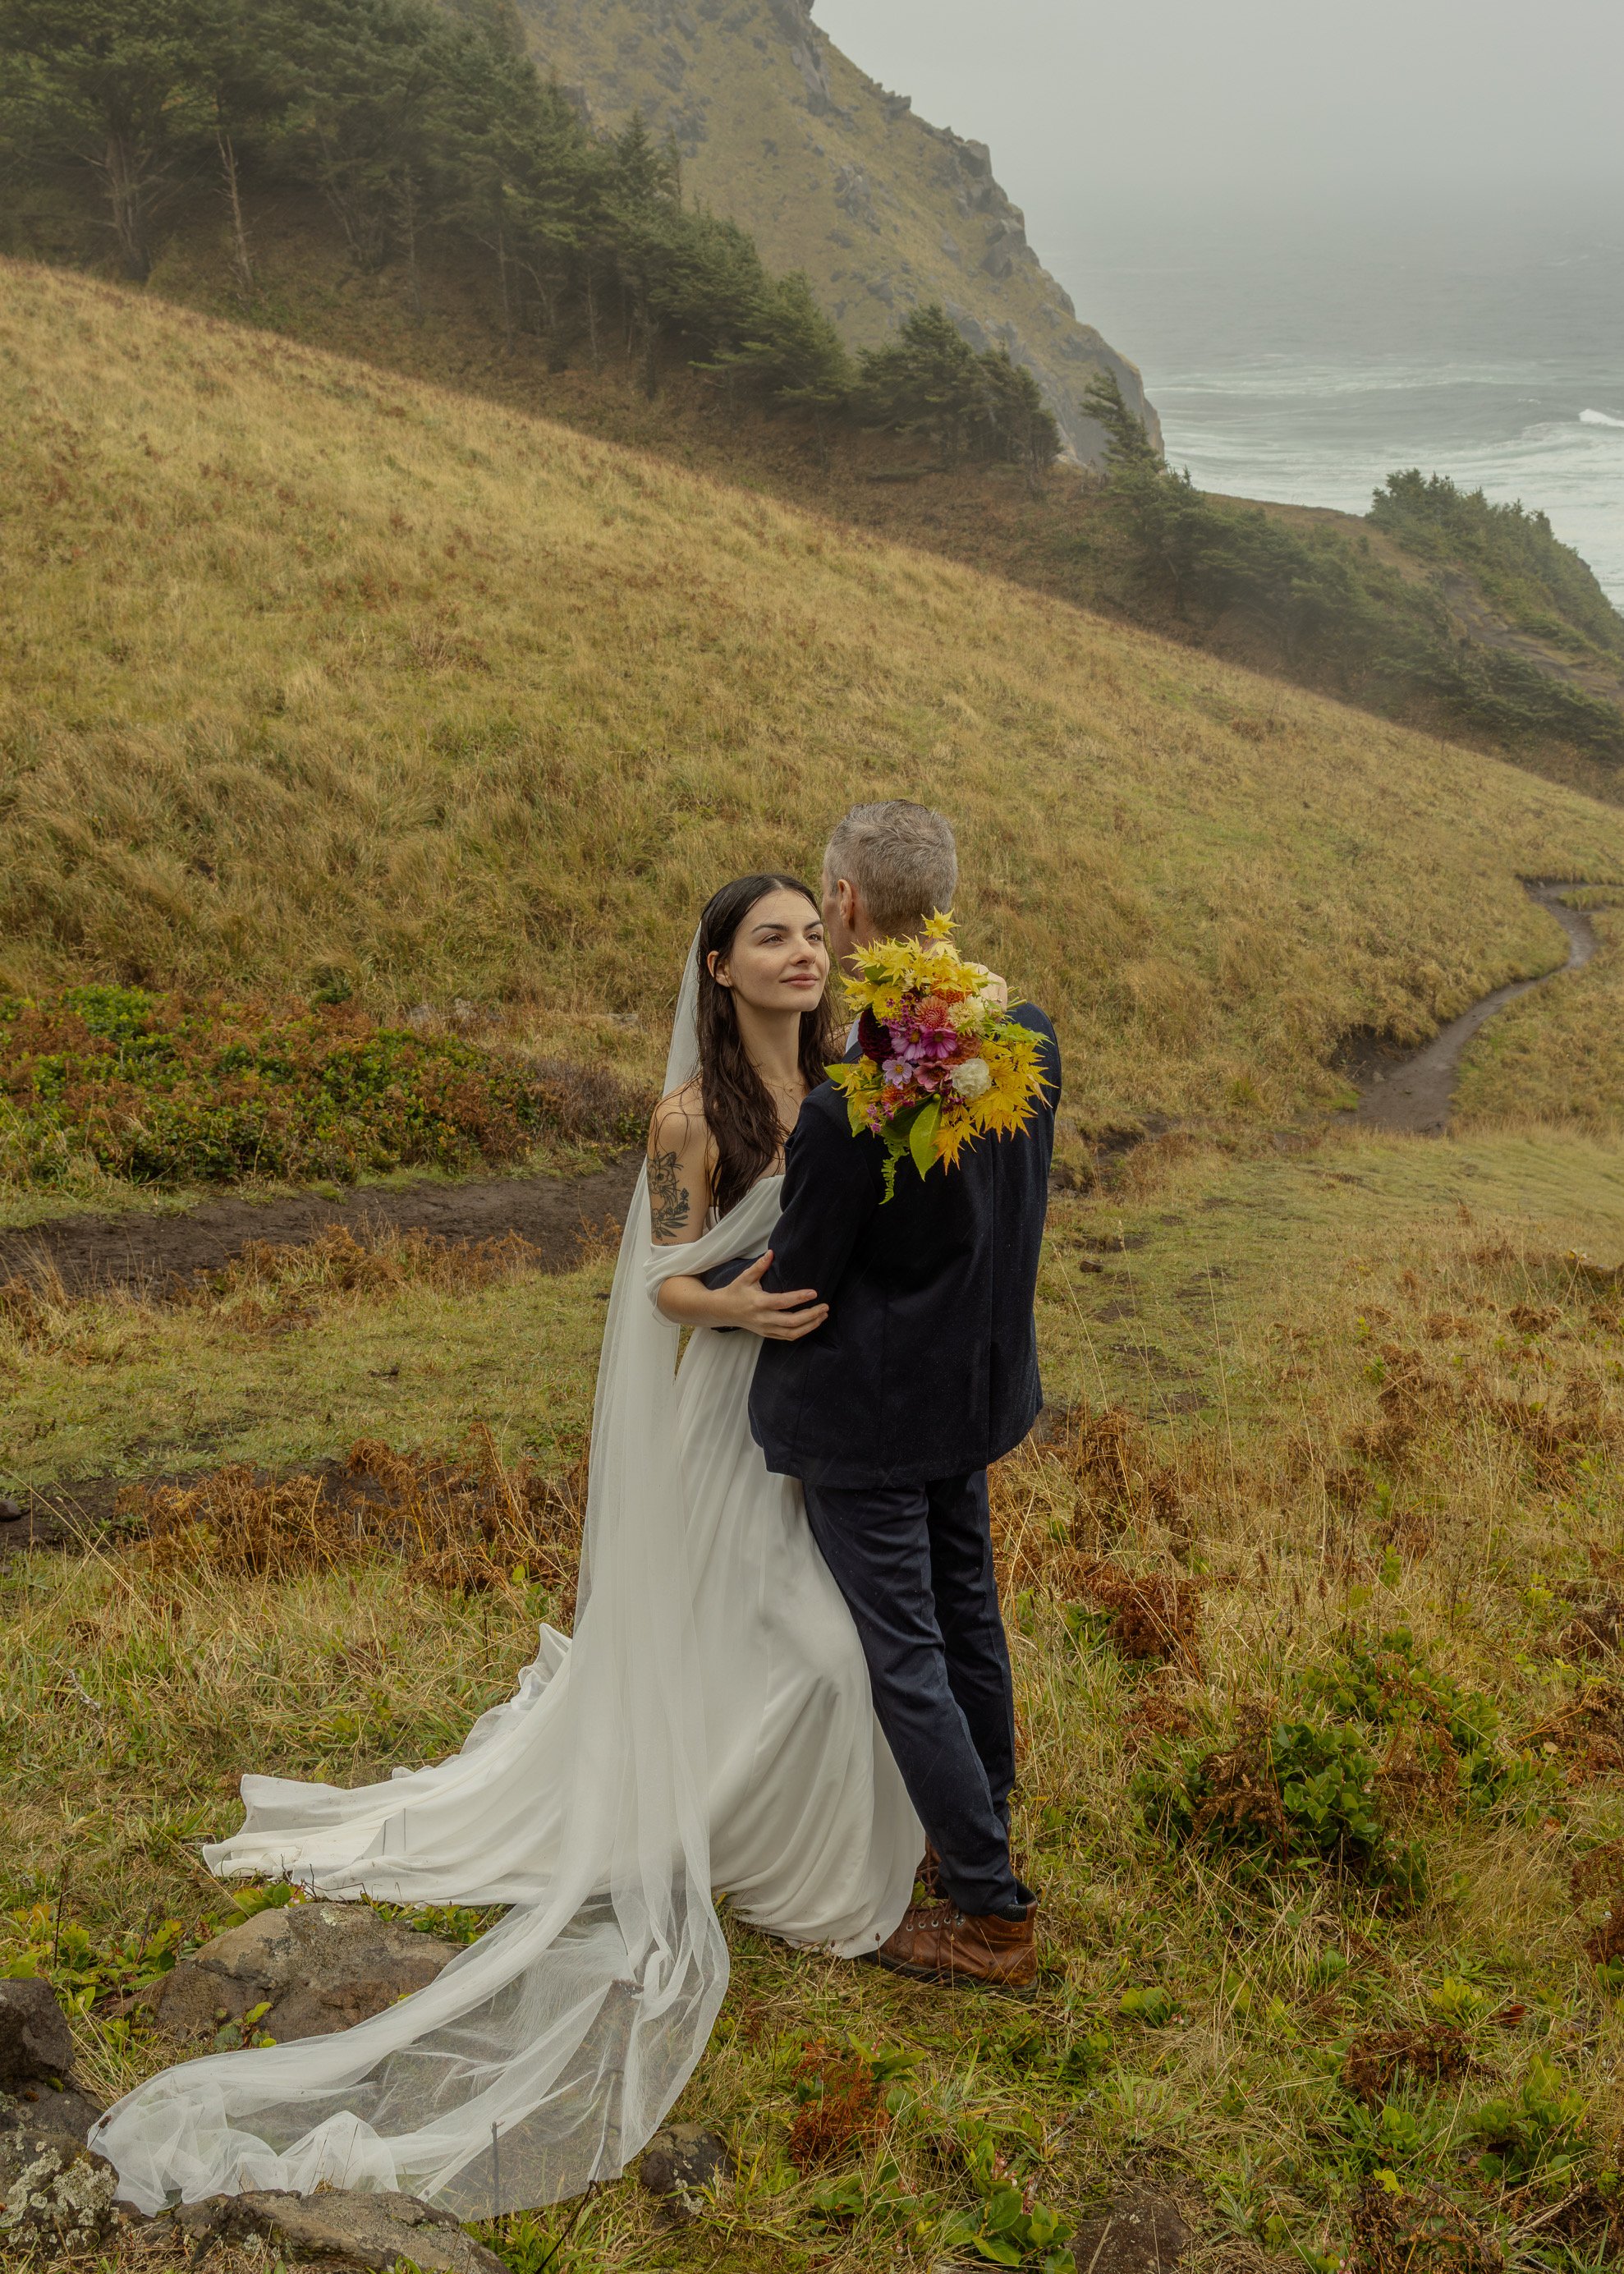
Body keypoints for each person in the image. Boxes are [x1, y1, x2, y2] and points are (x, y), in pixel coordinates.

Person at [92, 871, 921, 2220]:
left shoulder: (845, 1087)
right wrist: (746, 1314)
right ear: (716, 966)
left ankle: (777, 1823)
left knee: (839, 1633)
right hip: (727, 1408)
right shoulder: (686, 1119)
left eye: (813, 933)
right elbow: (662, 1281)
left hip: (830, 1417)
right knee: (819, 1652)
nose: (802, 953)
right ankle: (732, 1832)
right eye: (771, 936)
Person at [747, 801, 1061, 1988]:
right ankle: (974, 1829)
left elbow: (806, 1277)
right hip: (974, 1395)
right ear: (947, 895)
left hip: (873, 1419)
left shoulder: (852, 1109)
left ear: (843, 904)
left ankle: (989, 1914)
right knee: (967, 1615)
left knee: (906, 1649)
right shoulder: (1026, 1039)